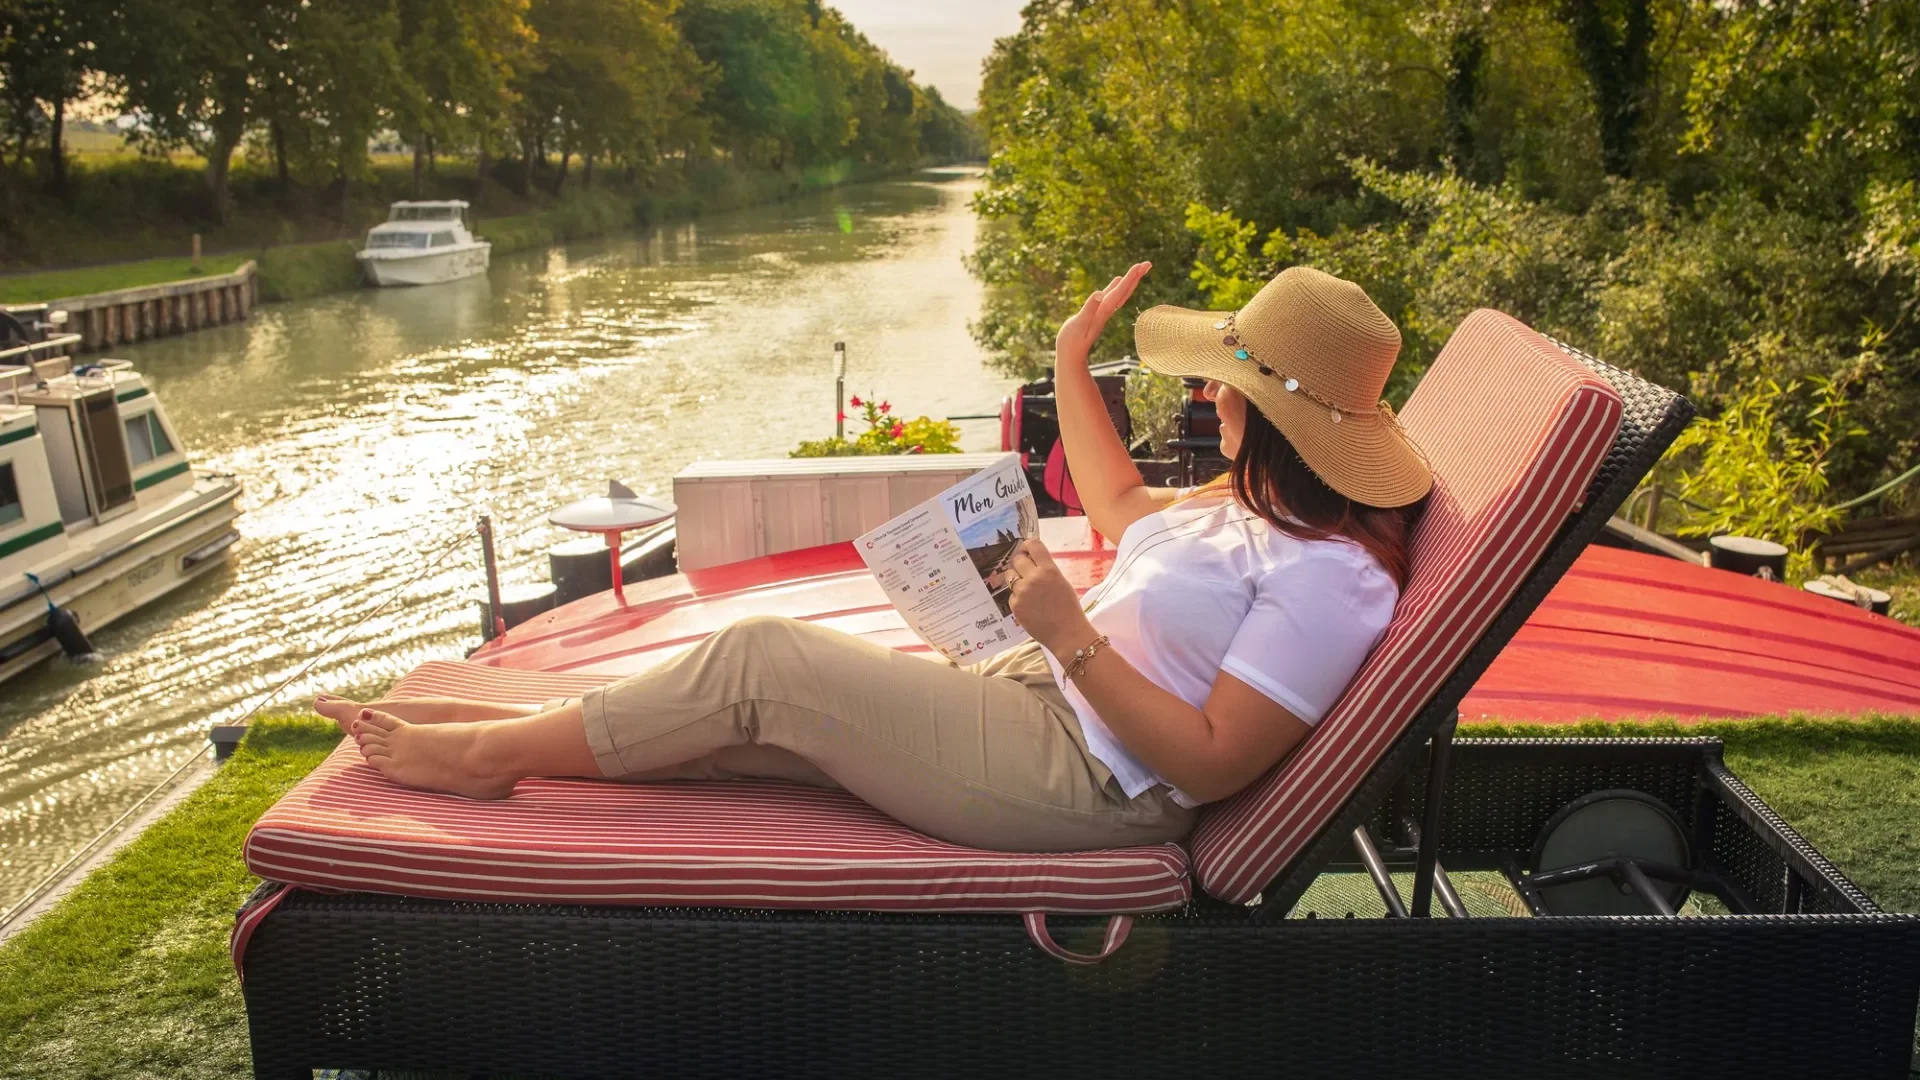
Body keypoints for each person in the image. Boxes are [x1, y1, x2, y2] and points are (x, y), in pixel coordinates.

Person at [318, 263, 1431, 853]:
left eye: (1221, 385)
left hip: (1093, 782)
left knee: (761, 663)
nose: (1202, 395)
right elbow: (1118, 497)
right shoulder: (1250, 508)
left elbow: (1211, 763)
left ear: (1279, 417)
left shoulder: (1333, 576)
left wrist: (1069, 636)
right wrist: (1068, 359)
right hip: (1036, 703)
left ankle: (480, 762)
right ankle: (506, 735)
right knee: (740, 728)